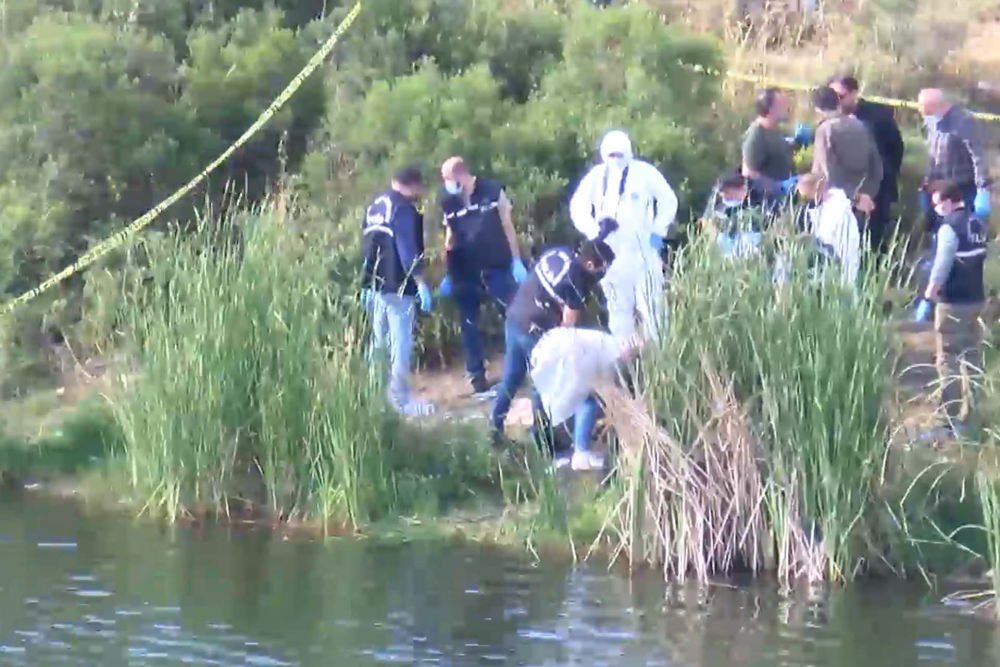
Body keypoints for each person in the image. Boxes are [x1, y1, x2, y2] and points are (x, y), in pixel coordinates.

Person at [490, 222, 618, 470]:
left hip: (514, 317)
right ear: (592, 266)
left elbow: (590, 249)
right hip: (533, 332)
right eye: (603, 269)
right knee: (543, 387)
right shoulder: (577, 284)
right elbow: (565, 332)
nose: (603, 274)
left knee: (512, 378)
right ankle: (546, 446)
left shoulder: (559, 253)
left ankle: (493, 428)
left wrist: (603, 233)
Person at [569, 129, 678, 345]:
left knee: (653, 310)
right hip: (610, 258)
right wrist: (594, 233)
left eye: (619, 154)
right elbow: (577, 207)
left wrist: (658, 232)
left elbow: (668, 200)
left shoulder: (645, 173)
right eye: (611, 155)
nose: (615, 160)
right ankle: (624, 361)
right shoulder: (597, 177)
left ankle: (661, 360)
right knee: (618, 312)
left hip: (643, 253)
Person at [438, 156, 529, 395]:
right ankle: (477, 377)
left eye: (447, 179)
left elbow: (508, 226)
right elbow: (449, 236)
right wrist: (448, 271)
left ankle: (517, 370)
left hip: (496, 265)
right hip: (464, 271)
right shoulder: (449, 201)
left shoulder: (492, 191)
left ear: (460, 175)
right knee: (469, 324)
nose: (445, 184)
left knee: (513, 316)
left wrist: (516, 260)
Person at [360, 166, 435, 416]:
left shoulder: (375, 206)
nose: (420, 193)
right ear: (412, 185)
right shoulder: (402, 207)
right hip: (396, 284)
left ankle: (374, 399)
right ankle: (400, 401)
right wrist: (420, 281)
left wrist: (365, 280)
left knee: (378, 344)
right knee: (400, 343)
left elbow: (366, 243)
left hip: (373, 284)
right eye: (420, 188)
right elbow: (406, 247)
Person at [915, 181, 986, 439]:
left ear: (947, 201)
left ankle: (947, 423)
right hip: (976, 300)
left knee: (948, 361)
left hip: (953, 302)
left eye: (936, 204)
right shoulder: (976, 223)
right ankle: (972, 418)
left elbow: (943, 264)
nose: (936, 209)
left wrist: (928, 296)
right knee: (972, 359)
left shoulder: (949, 227)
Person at [828, 74, 905, 253]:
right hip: (844, 188)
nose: (837, 102)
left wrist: (885, 177)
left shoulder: (876, 116)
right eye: (833, 97)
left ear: (854, 93)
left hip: (876, 186)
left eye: (841, 96)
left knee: (873, 239)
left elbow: (895, 148)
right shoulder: (831, 119)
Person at [917, 89, 992, 232]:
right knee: (939, 233)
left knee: (962, 234)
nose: (927, 118)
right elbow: (932, 153)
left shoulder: (964, 122)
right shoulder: (933, 122)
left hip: (961, 189)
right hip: (938, 190)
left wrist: (982, 187)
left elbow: (978, 156)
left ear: (939, 106)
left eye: (928, 113)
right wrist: (926, 182)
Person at [810, 86, 883, 221]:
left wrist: (854, 197)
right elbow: (877, 166)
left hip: (834, 201)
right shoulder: (861, 126)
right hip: (863, 201)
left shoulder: (825, 130)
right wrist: (867, 195)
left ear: (818, 109)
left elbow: (829, 172)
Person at [741, 88, 811, 206]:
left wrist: (797, 142)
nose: (787, 107)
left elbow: (778, 149)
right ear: (770, 109)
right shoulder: (756, 135)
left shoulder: (773, 128)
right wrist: (778, 186)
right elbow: (748, 171)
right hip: (771, 202)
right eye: (782, 104)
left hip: (787, 195)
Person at [795, 173, 861, 286]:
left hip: (839, 272)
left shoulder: (838, 211)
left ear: (818, 190)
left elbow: (828, 243)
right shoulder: (823, 208)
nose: (806, 202)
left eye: (807, 197)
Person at [704, 172, 766, 259]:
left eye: (729, 193)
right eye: (725, 193)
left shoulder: (755, 205)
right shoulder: (716, 205)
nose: (726, 196)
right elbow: (706, 223)